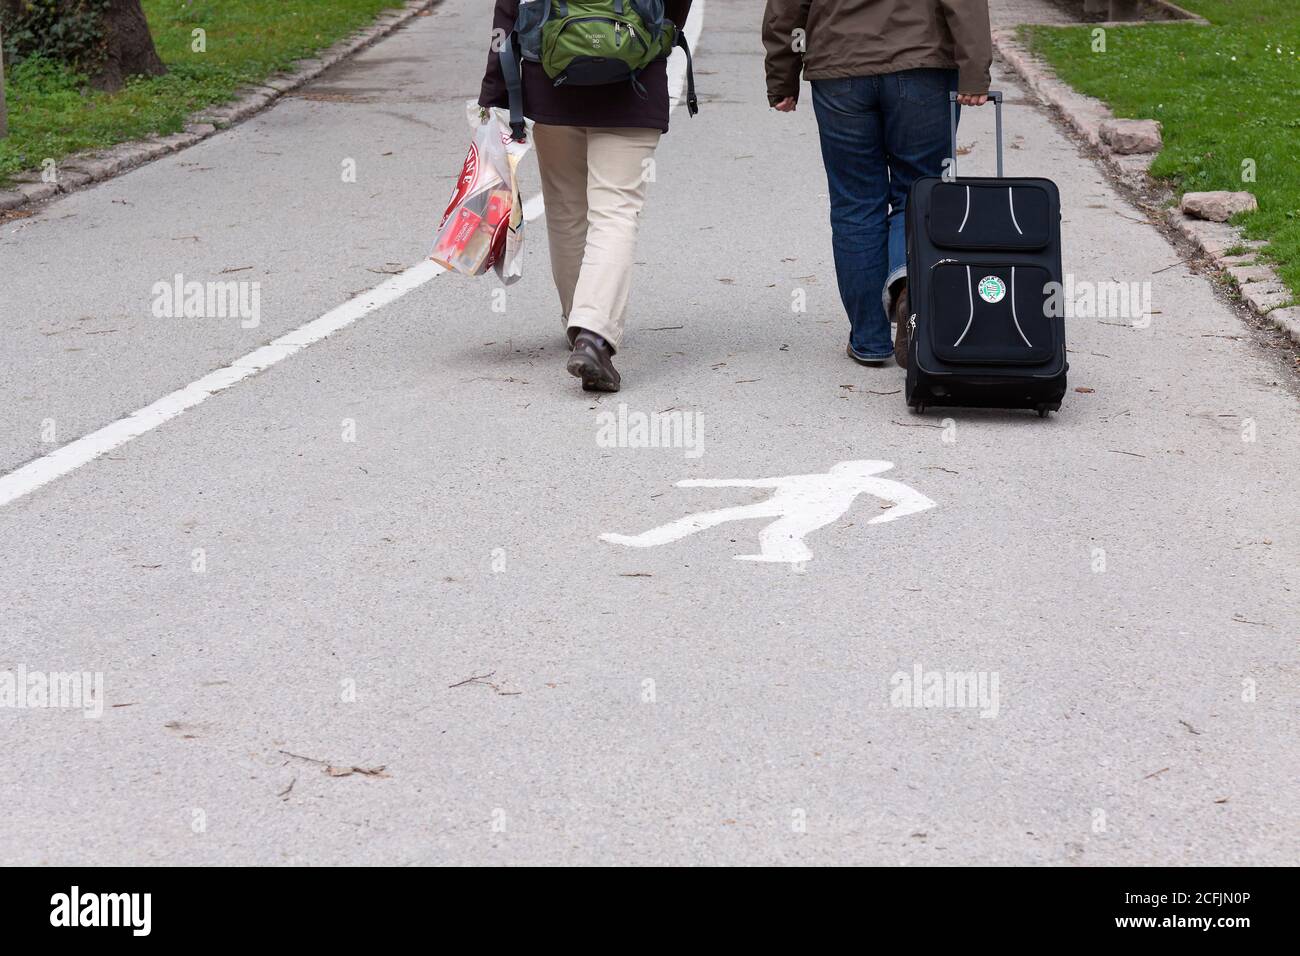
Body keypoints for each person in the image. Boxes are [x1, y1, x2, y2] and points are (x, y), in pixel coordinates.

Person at [478, 0, 694, 393]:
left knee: (565, 211)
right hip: (634, 76)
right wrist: (654, 31)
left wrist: (496, 90)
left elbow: (509, 8)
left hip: (552, 78)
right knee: (616, 210)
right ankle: (593, 334)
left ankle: (578, 323)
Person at [762, 0, 993, 367]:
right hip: (923, 66)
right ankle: (906, 293)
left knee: (855, 204)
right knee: (917, 195)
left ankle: (869, 339)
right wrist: (974, 71)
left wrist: (782, 77)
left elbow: (786, 9)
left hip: (840, 69)